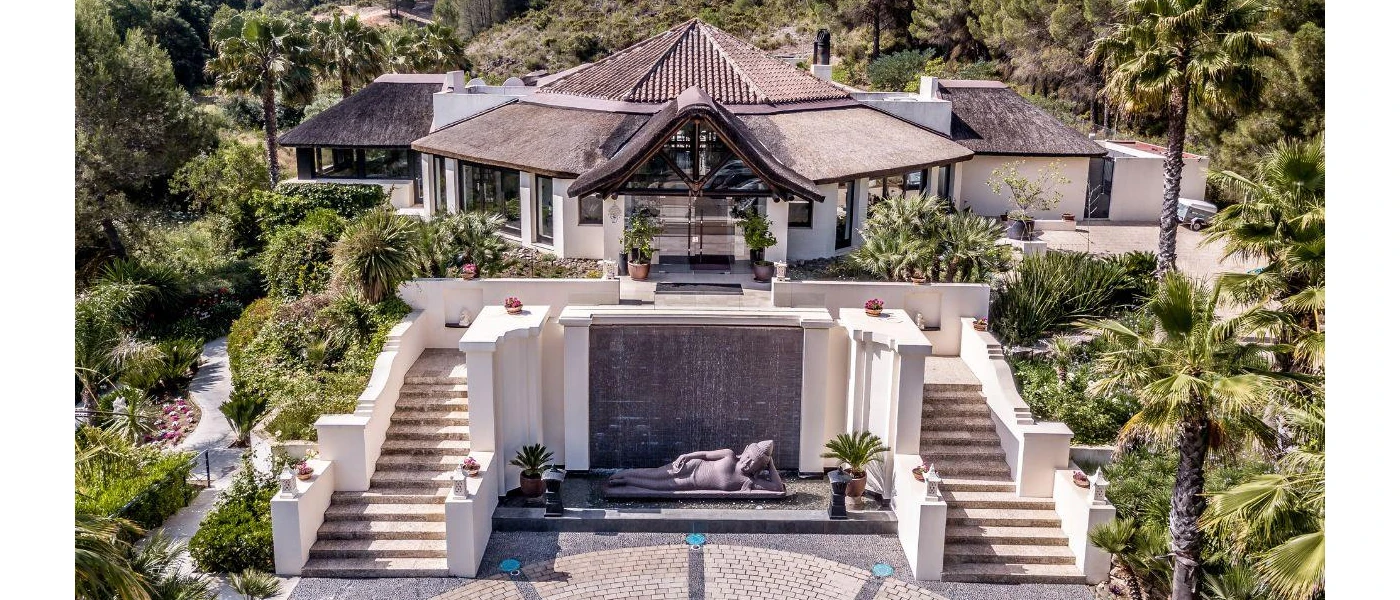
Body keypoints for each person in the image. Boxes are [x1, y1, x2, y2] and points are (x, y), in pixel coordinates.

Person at [606, 440, 783, 493]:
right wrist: (686, 455)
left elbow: (777, 487)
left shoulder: (747, 482)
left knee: (657, 486)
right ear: (744, 451)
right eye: (747, 457)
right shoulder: (729, 455)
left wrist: (771, 463)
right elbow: (705, 455)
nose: (747, 463)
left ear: (759, 468)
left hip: (691, 484)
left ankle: (626, 482)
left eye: (753, 463)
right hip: (691, 467)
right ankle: (623, 474)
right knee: (654, 474)